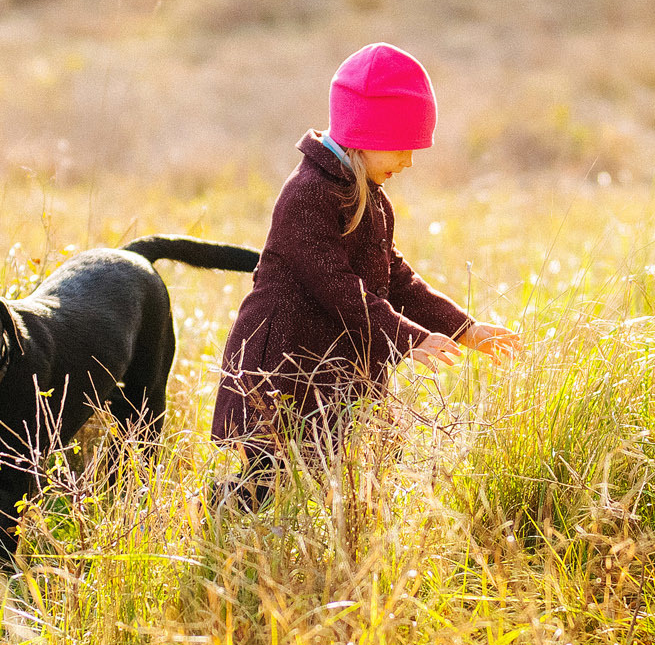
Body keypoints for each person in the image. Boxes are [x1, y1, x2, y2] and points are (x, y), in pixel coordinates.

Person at [211, 42, 520, 504]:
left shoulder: (370, 194)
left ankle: (333, 554)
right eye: (403, 147)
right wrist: (408, 338)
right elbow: (338, 289)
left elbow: (396, 279)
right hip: (283, 362)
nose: (409, 161)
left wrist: (465, 328)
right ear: (368, 135)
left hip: (333, 359)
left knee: (353, 469)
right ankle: (221, 531)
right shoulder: (308, 196)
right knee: (267, 479)